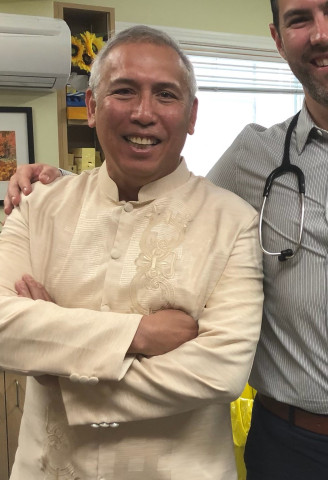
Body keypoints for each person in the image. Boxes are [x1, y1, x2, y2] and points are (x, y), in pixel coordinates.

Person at [5, 1, 328, 479]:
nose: (320, 34)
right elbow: (167, 193)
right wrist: (62, 186)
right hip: (288, 449)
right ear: (277, 37)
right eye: (298, 19)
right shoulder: (254, 157)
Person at [0, 25, 264, 480]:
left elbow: (219, 371)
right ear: (93, 107)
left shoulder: (234, 222)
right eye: (124, 91)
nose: (144, 113)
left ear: (192, 114)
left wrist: (56, 362)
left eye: (166, 95)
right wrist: (138, 334)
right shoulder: (38, 205)